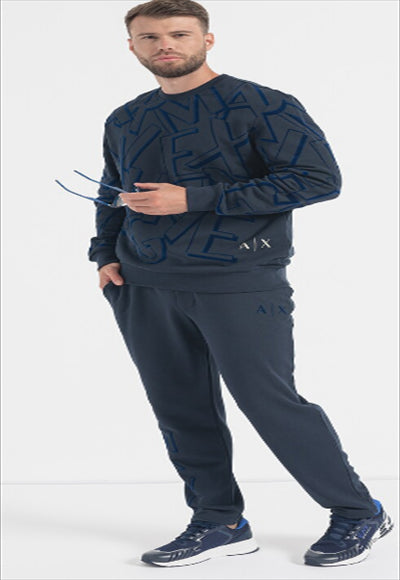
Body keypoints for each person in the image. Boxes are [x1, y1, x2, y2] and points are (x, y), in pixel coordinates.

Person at [88, 0, 393, 568]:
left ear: (207, 39)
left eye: (179, 33)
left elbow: (318, 179)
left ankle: (358, 512)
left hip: (238, 279)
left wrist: (194, 198)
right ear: (132, 46)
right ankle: (219, 521)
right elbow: (113, 188)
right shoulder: (126, 117)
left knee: (268, 402)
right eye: (149, 37)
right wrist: (103, 254)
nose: (164, 45)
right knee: (178, 405)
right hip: (143, 283)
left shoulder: (262, 104)